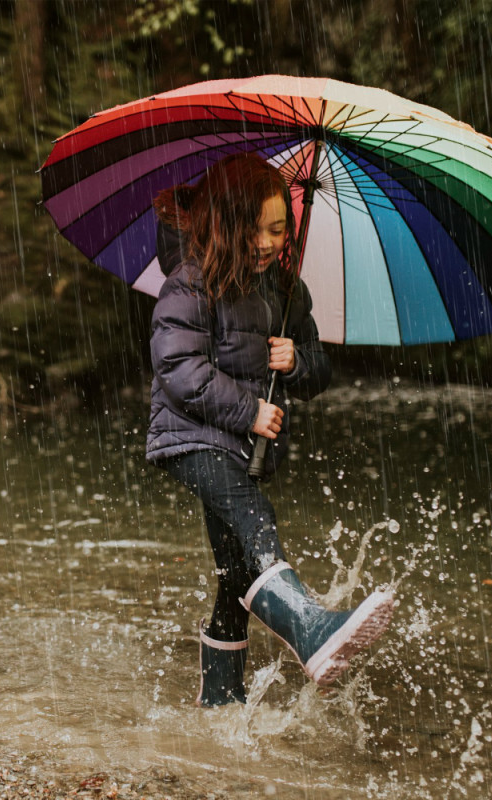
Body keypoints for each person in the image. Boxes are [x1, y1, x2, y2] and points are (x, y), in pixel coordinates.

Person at [146, 152, 394, 706]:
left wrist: (296, 361)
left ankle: (219, 702)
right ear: (228, 224)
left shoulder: (285, 291)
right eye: (254, 229)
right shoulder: (190, 282)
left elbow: (318, 370)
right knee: (253, 518)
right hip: (190, 438)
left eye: (278, 229)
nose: (266, 242)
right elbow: (179, 370)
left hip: (240, 445)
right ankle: (309, 626)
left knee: (236, 573)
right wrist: (250, 411)